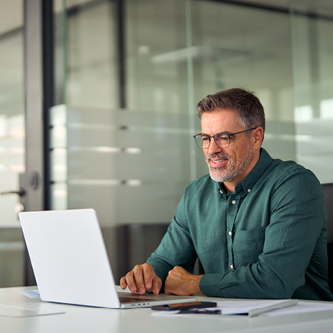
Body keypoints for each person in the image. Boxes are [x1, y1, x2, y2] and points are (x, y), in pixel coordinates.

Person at [120, 88, 333, 300]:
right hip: (223, 319)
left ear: (256, 137)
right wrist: (147, 276)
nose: (212, 149)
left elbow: (275, 280)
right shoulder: (195, 195)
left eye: (224, 138)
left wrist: (195, 283)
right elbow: (166, 265)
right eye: (205, 138)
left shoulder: (293, 185)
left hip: (299, 320)